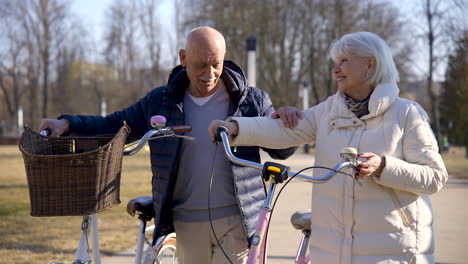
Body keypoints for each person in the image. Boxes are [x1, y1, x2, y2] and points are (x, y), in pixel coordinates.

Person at [39, 27, 296, 264]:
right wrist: (68, 124)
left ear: (225, 57)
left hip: (237, 223)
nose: (210, 74)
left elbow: (283, 150)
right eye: (201, 65)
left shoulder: (252, 100)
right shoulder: (160, 102)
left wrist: (286, 122)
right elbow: (114, 125)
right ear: (183, 58)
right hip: (185, 223)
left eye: (216, 64)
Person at [209, 31, 448, 264]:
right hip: (331, 252)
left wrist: (383, 166)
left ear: (370, 65)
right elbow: (282, 131)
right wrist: (234, 127)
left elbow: (435, 177)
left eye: (344, 61)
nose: (335, 70)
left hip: (391, 251)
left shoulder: (407, 113)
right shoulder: (328, 111)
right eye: (336, 62)